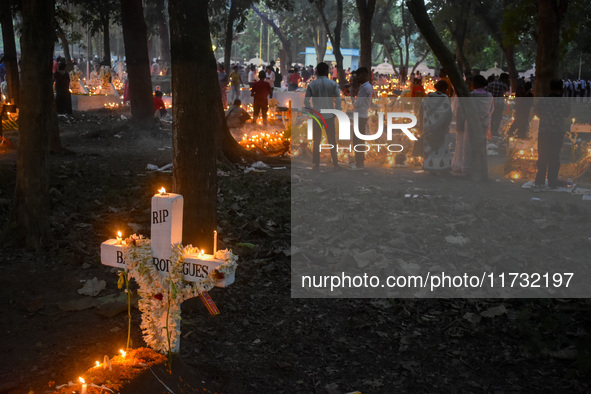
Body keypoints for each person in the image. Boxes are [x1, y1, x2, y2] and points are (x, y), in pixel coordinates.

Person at [452, 75, 493, 176]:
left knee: (469, 146)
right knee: (482, 146)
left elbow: (465, 110)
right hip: (484, 123)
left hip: (471, 123)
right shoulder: (489, 96)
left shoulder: (471, 95)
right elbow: (491, 110)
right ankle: (481, 169)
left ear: (477, 83)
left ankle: (468, 169)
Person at [303, 62, 342, 171]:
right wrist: (337, 111)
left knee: (316, 140)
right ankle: (335, 163)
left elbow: (306, 101)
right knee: (332, 140)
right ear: (326, 71)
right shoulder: (333, 84)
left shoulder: (312, 85)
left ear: (317, 71)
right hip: (329, 115)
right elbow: (338, 99)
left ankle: (316, 164)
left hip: (317, 115)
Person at [534, 79, 570, 189]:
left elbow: (537, 111)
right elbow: (566, 114)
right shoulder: (564, 102)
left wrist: (546, 118)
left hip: (544, 132)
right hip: (557, 133)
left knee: (542, 156)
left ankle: (540, 181)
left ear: (550, 88)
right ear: (561, 88)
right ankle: (552, 182)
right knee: (554, 157)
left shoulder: (543, 100)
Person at [417, 80, 453, 173]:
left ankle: (430, 167)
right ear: (445, 89)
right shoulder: (446, 99)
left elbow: (421, 112)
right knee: (441, 148)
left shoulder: (428, 98)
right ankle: (441, 167)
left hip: (428, 128)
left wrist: (421, 125)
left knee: (430, 148)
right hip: (441, 128)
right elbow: (449, 114)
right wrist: (446, 125)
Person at [351, 66, 375, 170]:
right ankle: (360, 162)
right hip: (362, 115)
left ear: (365, 75)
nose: (357, 78)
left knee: (357, 140)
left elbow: (357, 104)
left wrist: (352, 96)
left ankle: (359, 163)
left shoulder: (365, 88)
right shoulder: (367, 86)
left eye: (359, 75)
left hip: (360, 115)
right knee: (359, 139)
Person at [486, 72, 509, 137]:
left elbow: (486, 91)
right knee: (498, 117)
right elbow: (506, 91)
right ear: (504, 79)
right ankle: (495, 131)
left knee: (491, 116)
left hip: (491, 103)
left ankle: (490, 130)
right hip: (499, 103)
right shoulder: (504, 85)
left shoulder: (491, 84)